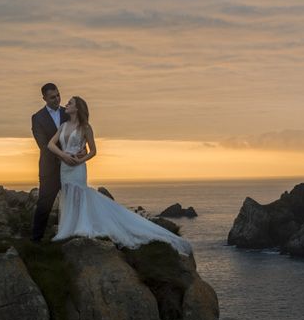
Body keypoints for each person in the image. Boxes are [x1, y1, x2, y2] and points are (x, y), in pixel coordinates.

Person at [46, 95, 192, 256]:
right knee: (68, 193)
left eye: (70, 103)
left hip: (77, 167)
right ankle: (69, 226)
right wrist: (64, 156)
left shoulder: (86, 127)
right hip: (65, 167)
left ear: (78, 108)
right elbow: (50, 144)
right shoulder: (64, 125)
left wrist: (80, 160)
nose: (66, 104)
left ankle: (81, 225)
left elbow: (93, 151)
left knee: (80, 193)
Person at [30, 83, 86, 242]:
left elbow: (79, 135)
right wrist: (64, 157)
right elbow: (43, 144)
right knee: (44, 204)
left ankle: (75, 234)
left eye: (58, 95)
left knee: (75, 201)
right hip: (50, 168)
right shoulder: (37, 118)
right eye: (52, 97)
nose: (57, 99)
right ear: (44, 98)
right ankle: (36, 240)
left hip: (72, 168)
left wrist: (81, 151)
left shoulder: (68, 112)